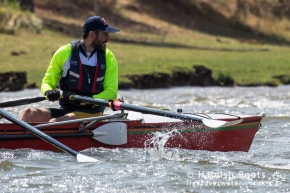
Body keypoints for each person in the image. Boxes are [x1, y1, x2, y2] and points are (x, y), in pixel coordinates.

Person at [20, 16, 120, 122]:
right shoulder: (65, 52)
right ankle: (19, 137)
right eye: (105, 34)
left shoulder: (108, 57)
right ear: (92, 35)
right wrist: (49, 91)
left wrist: (87, 101)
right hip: (67, 109)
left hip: (92, 112)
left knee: (56, 122)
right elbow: (47, 81)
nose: (108, 39)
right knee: (28, 113)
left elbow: (111, 92)